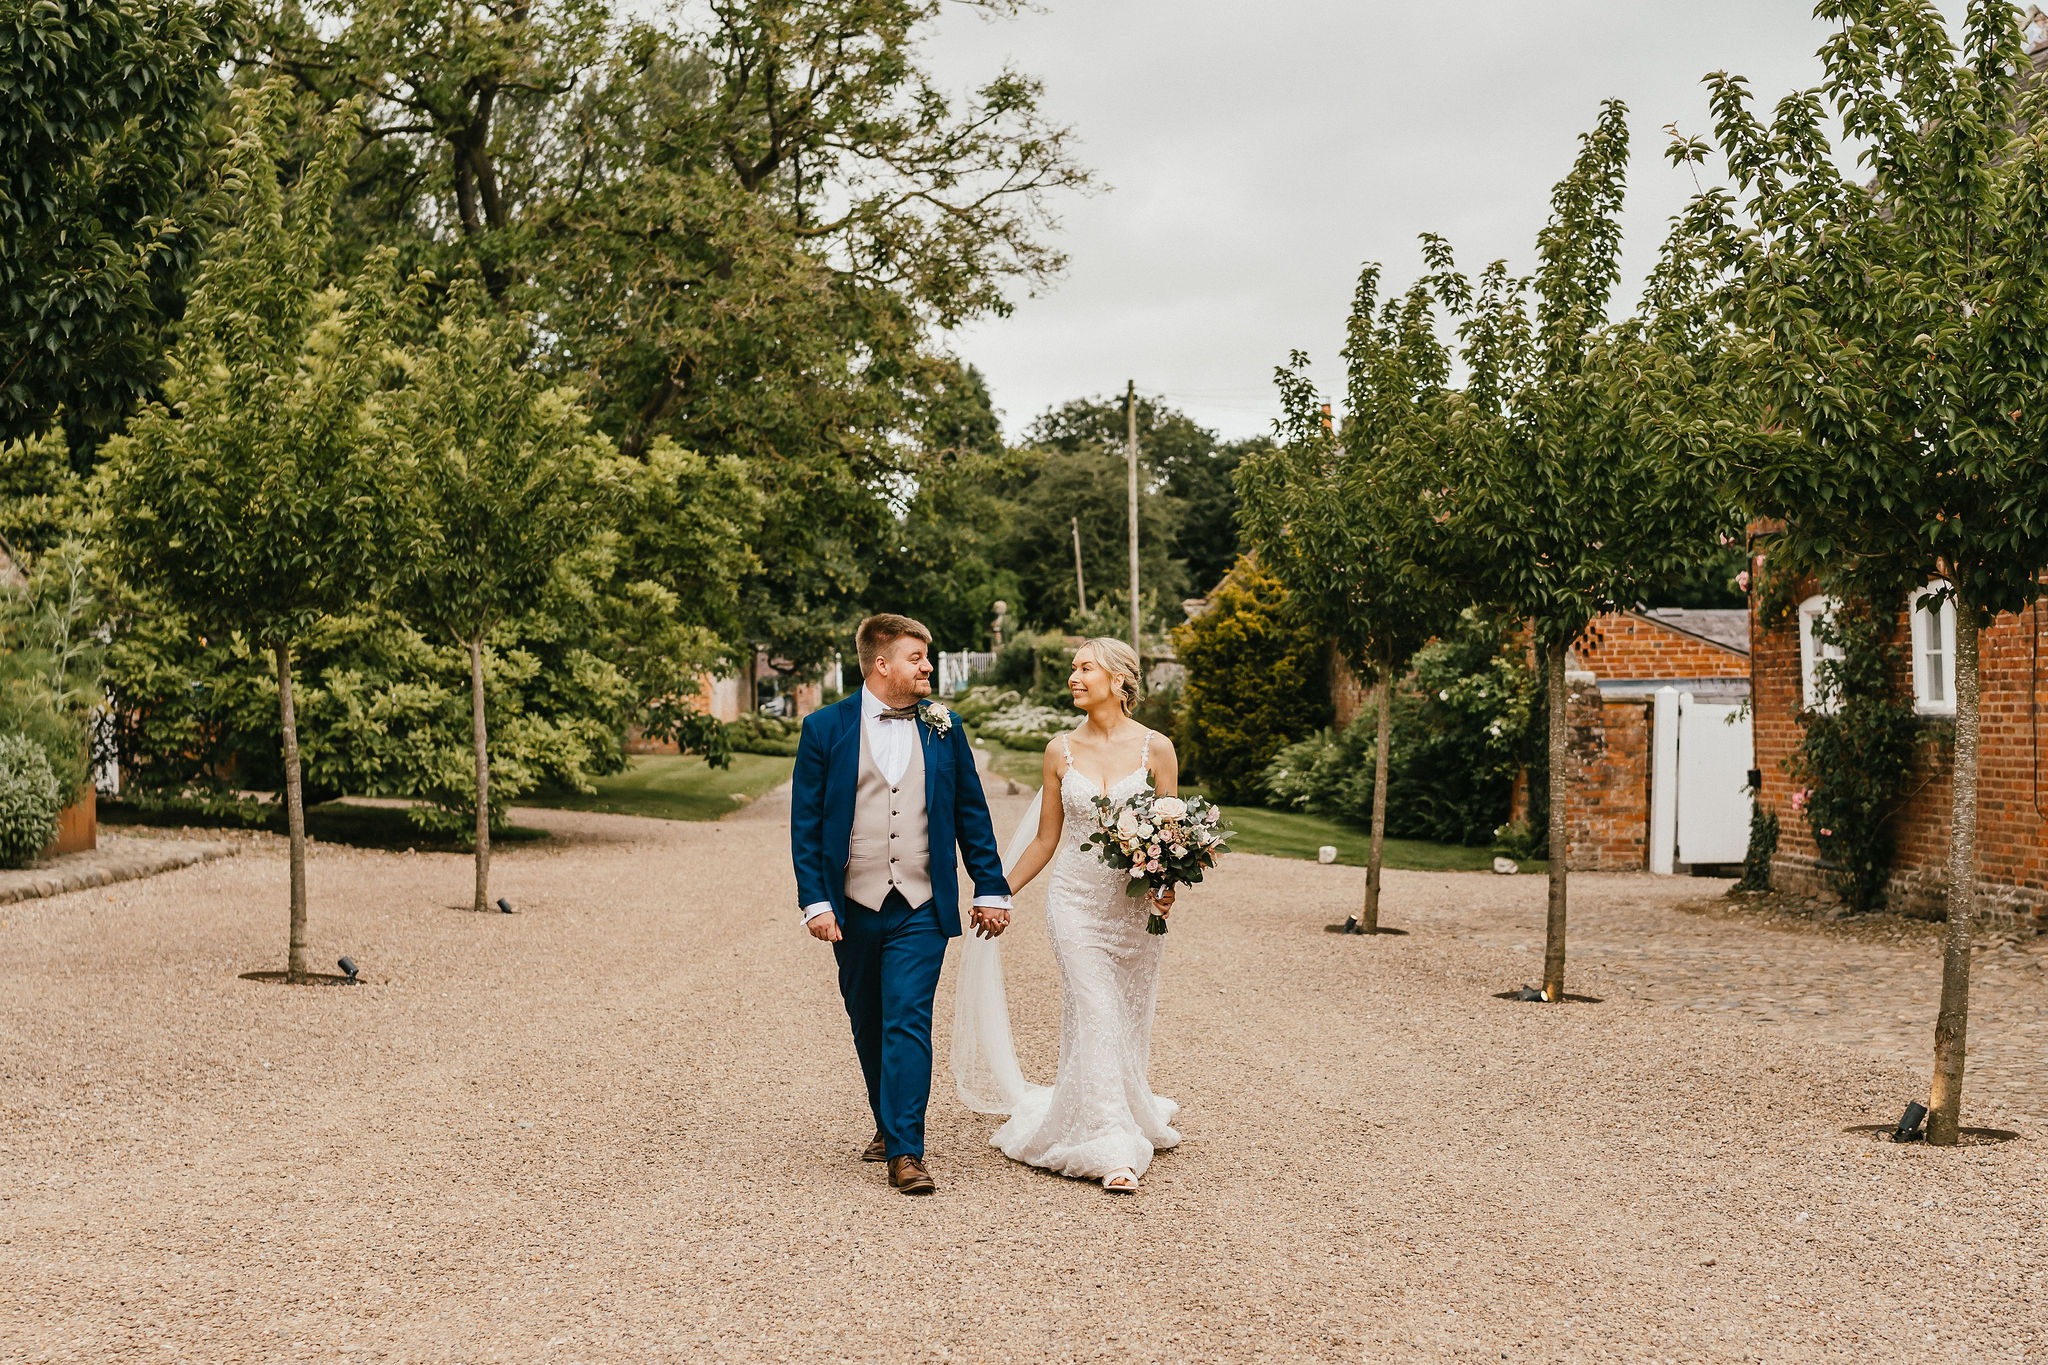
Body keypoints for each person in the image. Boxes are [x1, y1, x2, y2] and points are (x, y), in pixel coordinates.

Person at [789, 613, 1011, 1195]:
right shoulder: (823, 729)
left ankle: (907, 1150)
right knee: (868, 1019)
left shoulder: (944, 728)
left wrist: (990, 888)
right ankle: (887, 1124)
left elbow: (971, 814)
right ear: (881, 664)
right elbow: (806, 827)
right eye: (917, 658)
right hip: (853, 903)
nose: (928, 667)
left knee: (908, 1018)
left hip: (920, 901)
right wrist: (815, 902)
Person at [952, 637, 1181, 1193]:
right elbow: (1045, 841)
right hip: (1074, 904)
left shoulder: (1158, 749)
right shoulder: (1061, 750)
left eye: (1084, 668)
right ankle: (1111, 1145)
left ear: (1119, 680)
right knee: (1096, 1009)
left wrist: (1166, 884)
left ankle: (1119, 1106)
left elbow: (1170, 832)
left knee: (1124, 1015)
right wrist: (997, 891)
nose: (1073, 677)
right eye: (1072, 669)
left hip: (1132, 910)